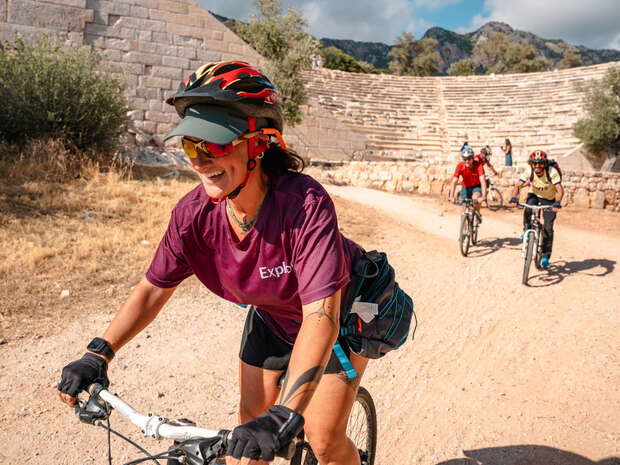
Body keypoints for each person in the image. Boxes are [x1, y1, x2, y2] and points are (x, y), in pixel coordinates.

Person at [58, 61, 378, 465]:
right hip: (273, 320)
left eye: (217, 144)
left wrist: (286, 411)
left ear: (259, 144)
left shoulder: (304, 206)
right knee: (247, 432)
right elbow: (153, 288)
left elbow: (321, 316)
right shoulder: (194, 216)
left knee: (324, 438)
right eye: (192, 145)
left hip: (337, 319)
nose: (201, 159)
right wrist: (98, 353)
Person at [509, 149, 563, 268]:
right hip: (535, 194)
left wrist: (557, 202)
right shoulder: (530, 171)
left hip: (549, 199)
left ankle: (545, 256)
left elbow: (559, 189)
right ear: (531, 163)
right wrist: (514, 197)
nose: (537, 166)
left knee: (548, 228)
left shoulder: (552, 172)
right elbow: (518, 185)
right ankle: (527, 230)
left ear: (545, 163)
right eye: (534, 163)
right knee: (528, 209)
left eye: (540, 163)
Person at [449, 145, 487, 221]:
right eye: (465, 159)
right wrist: (451, 196)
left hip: (476, 186)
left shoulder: (478, 165)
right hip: (465, 187)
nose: (467, 161)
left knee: (475, 198)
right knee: (464, 209)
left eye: (469, 159)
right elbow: (454, 181)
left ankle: (477, 211)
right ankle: (465, 229)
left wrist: (483, 196)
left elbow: (482, 180)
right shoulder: (460, 166)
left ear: (473, 158)